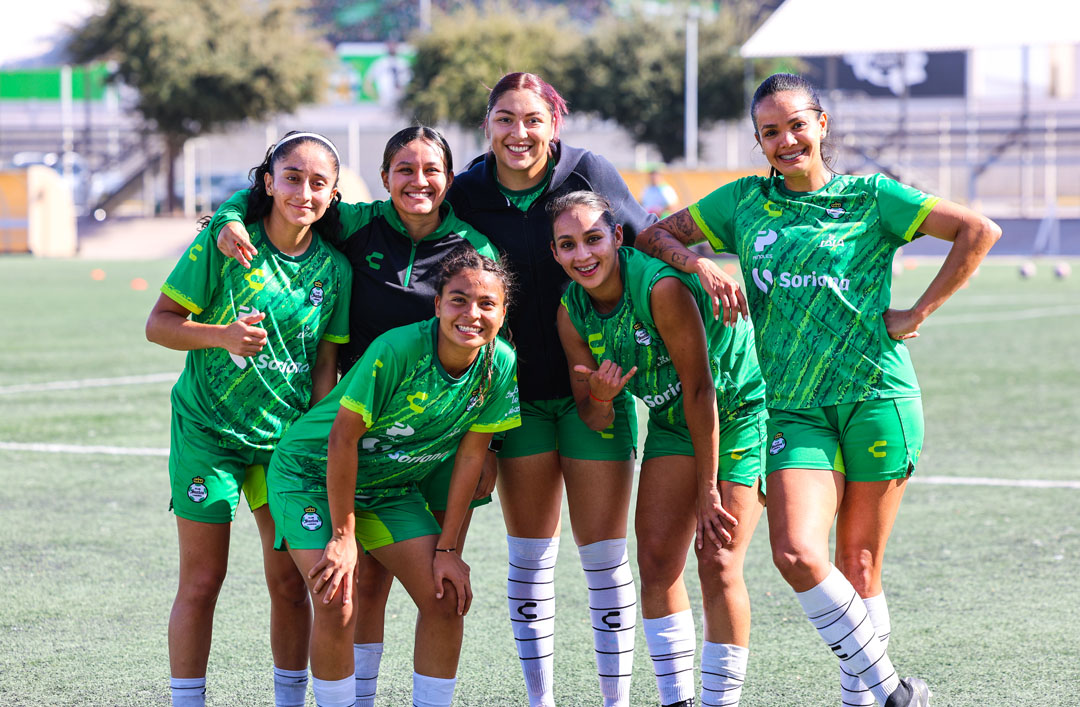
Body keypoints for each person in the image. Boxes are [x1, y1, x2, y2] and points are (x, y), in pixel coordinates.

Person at [635, 73, 1001, 707]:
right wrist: (705, 265)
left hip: (877, 399)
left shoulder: (872, 197)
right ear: (758, 140)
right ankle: (892, 692)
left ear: (822, 125)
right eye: (770, 132)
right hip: (793, 409)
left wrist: (917, 313)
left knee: (859, 566)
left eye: (797, 125)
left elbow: (978, 230)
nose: (785, 140)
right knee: (797, 553)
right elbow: (654, 235)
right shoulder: (741, 202)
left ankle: (864, 701)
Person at [208, 126, 500, 706]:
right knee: (353, 588)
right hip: (355, 430)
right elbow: (272, 191)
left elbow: (485, 337)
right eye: (405, 169)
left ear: (449, 179)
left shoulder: (472, 247)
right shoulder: (356, 222)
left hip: (429, 440)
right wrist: (227, 220)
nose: (419, 181)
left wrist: (486, 451)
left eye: (432, 171)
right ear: (385, 175)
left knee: (437, 583)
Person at [447, 71, 657, 707]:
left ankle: (613, 701)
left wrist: (701, 264)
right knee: (530, 560)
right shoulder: (465, 192)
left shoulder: (589, 171)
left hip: (596, 391)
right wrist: (237, 212)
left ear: (554, 124)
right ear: (487, 125)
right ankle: (543, 700)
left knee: (603, 560)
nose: (519, 132)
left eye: (532, 119)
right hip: (514, 401)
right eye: (505, 118)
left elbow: (649, 239)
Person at [145, 131, 353, 707]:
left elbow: (324, 369)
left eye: (318, 184)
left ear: (333, 196)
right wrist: (222, 336)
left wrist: (311, 443)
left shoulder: (334, 271)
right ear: (267, 182)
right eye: (291, 178)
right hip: (207, 434)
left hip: (281, 446)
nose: (303, 192)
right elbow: (158, 324)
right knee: (203, 581)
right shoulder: (227, 243)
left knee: (292, 582)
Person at [264, 248, 520, 707]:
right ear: (438, 304)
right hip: (309, 474)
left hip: (387, 488)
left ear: (503, 312)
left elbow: (469, 459)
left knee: (445, 598)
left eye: (487, 304)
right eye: (458, 300)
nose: (472, 314)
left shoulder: (499, 363)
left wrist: (447, 549)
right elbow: (342, 440)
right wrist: (343, 537)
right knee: (336, 596)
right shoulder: (397, 349)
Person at [549, 191, 767, 707]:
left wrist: (707, 490)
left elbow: (700, 389)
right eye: (567, 245)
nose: (583, 255)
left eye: (593, 239)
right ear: (555, 254)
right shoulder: (571, 312)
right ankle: (678, 700)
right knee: (656, 559)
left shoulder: (661, 287)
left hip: (735, 413)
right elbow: (593, 414)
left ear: (617, 237)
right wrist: (601, 399)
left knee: (717, 558)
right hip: (673, 424)